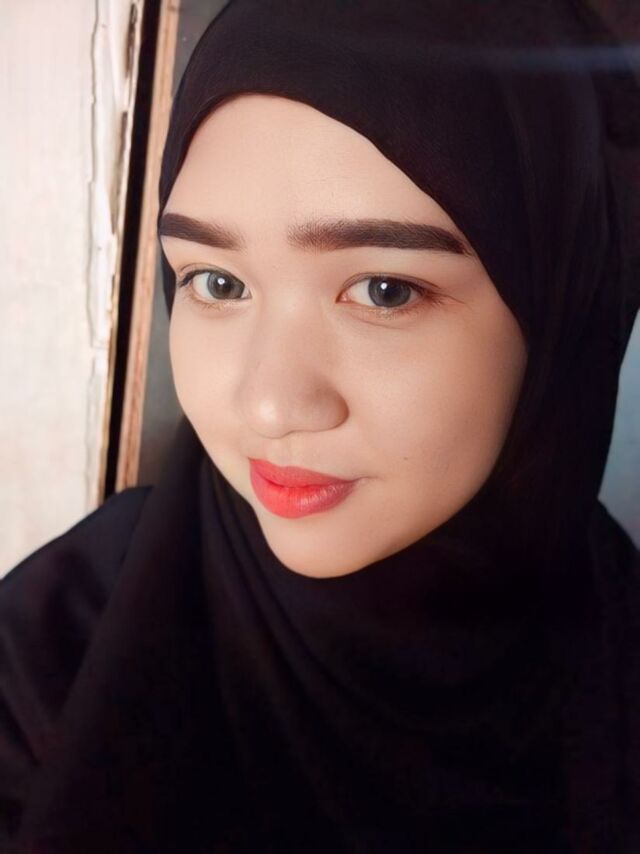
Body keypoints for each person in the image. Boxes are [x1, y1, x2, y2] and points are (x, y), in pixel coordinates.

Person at [1, 1, 639, 851]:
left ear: (565, 308)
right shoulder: (51, 650)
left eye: (384, 291)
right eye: (217, 283)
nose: (268, 406)